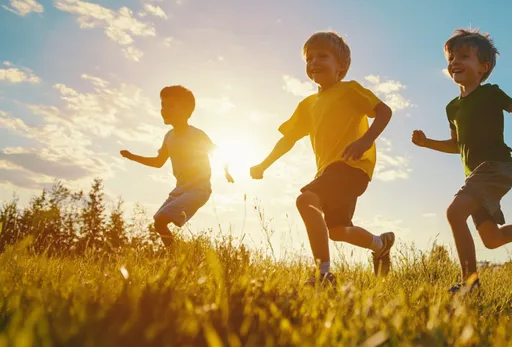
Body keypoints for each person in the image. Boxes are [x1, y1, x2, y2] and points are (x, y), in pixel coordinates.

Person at [412, 28, 512, 293]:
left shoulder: (491, 94)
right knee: (491, 239)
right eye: (451, 57)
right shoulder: (452, 108)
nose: (455, 62)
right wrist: (427, 142)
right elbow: (457, 145)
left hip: (496, 166)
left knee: (455, 212)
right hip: (476, 173)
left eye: (464, 56)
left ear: (483, 67)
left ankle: (470, 283)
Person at [250, 31, 395, 286]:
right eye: (309, 58)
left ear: (342, 65)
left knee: (306, 200)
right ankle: (380, 244)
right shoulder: (308, 105)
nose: (314, 62)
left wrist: (365, 141)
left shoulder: (350, 91)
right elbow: (288, 139)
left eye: (322, 56)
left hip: (352, 167)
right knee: (338, 231)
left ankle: (323, 274)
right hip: (329, 172)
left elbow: (384, 112)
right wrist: (264, 164)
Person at [120, 85, 234, 247]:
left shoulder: (196, 135)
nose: (164, 109)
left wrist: (226, 172)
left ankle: (178, 257)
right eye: (163, 105)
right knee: (158, 223)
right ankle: (176, 257)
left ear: (186, 110)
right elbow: (158, 162)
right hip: (180, 189)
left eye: (171, 106)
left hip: (198, 189)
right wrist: (132, 157)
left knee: (161, 219)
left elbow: (218, 152)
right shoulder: (168, 137)